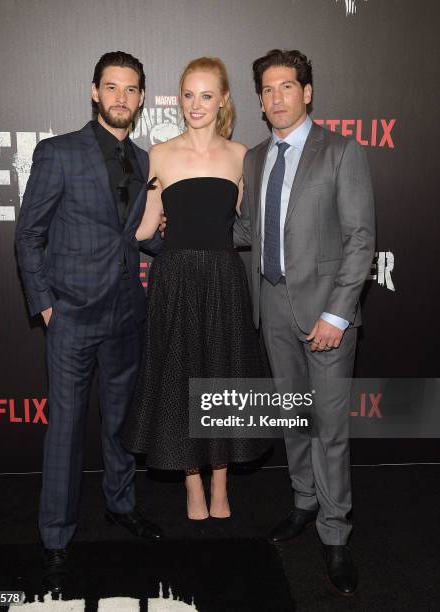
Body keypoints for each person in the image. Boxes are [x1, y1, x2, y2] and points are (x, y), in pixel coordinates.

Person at [15, 51, 163, 592]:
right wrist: (46, 303)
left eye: (131, 89)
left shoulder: (147, 161)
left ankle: (120, 504)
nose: (121, 97)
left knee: (121, 423)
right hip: (72, 315)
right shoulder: (58, 153)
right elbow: (29, 235)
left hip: (127, 313)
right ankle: (55, 537)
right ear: (94, 92)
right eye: (112, 87)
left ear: (142, 97)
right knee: (67, 430)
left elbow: (144, 237)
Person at [234, 49, 375, 594]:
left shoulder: (342, 151)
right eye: (267, 90)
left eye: (286, 86)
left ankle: (335, 535)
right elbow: (248, 231)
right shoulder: (253, 158)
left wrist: (338, 313)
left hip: (326, 315)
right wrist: (191, 228)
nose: (276, 97)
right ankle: (302, 502)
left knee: (329, 430)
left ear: (307, 92)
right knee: (294, 418)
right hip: (271, 307)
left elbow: (361, 239)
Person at [122, 57, 268, 521]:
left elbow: (246, 227)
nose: (196, 105)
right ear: (179, 98)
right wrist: (161, 231)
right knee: (181, 378)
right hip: (175, 279)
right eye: (188, 95)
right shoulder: (158, 154)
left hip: (225, 279)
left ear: (224, 99)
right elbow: (143, 231)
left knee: (222, 377)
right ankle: (191, 483)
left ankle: (221, 483)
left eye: (207, 95)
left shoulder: (242, 155)